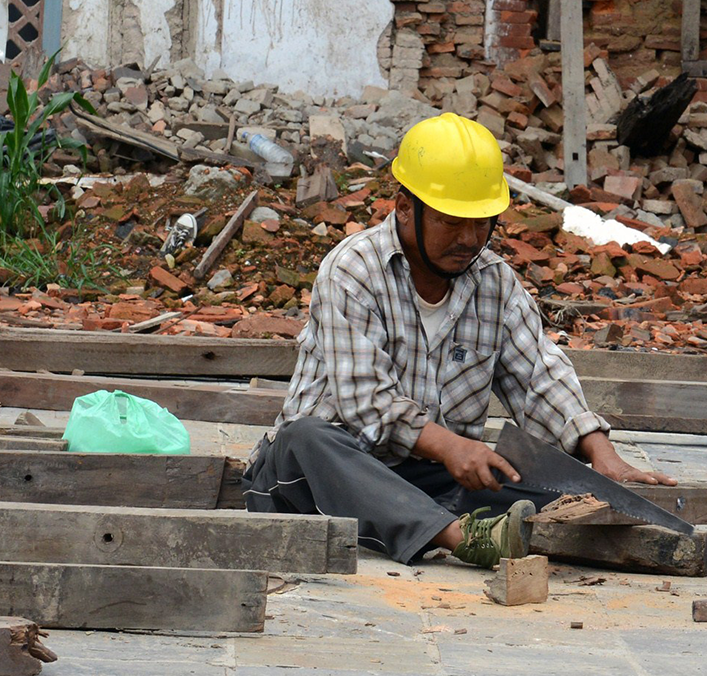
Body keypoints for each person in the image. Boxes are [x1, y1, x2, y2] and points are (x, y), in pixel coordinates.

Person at [244, 112, 673, 567]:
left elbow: (541, 378)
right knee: (307, 437)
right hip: (319, 477)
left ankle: (462, 526)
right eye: (452, 222)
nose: (470, 238)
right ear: (405, 208)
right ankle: (459, 536)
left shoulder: (496, 284)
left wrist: (602, 458)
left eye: (483, 222)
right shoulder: (353, 269)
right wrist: (452, 447)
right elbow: (366, 404)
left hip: (427, 482)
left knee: (557, 491)